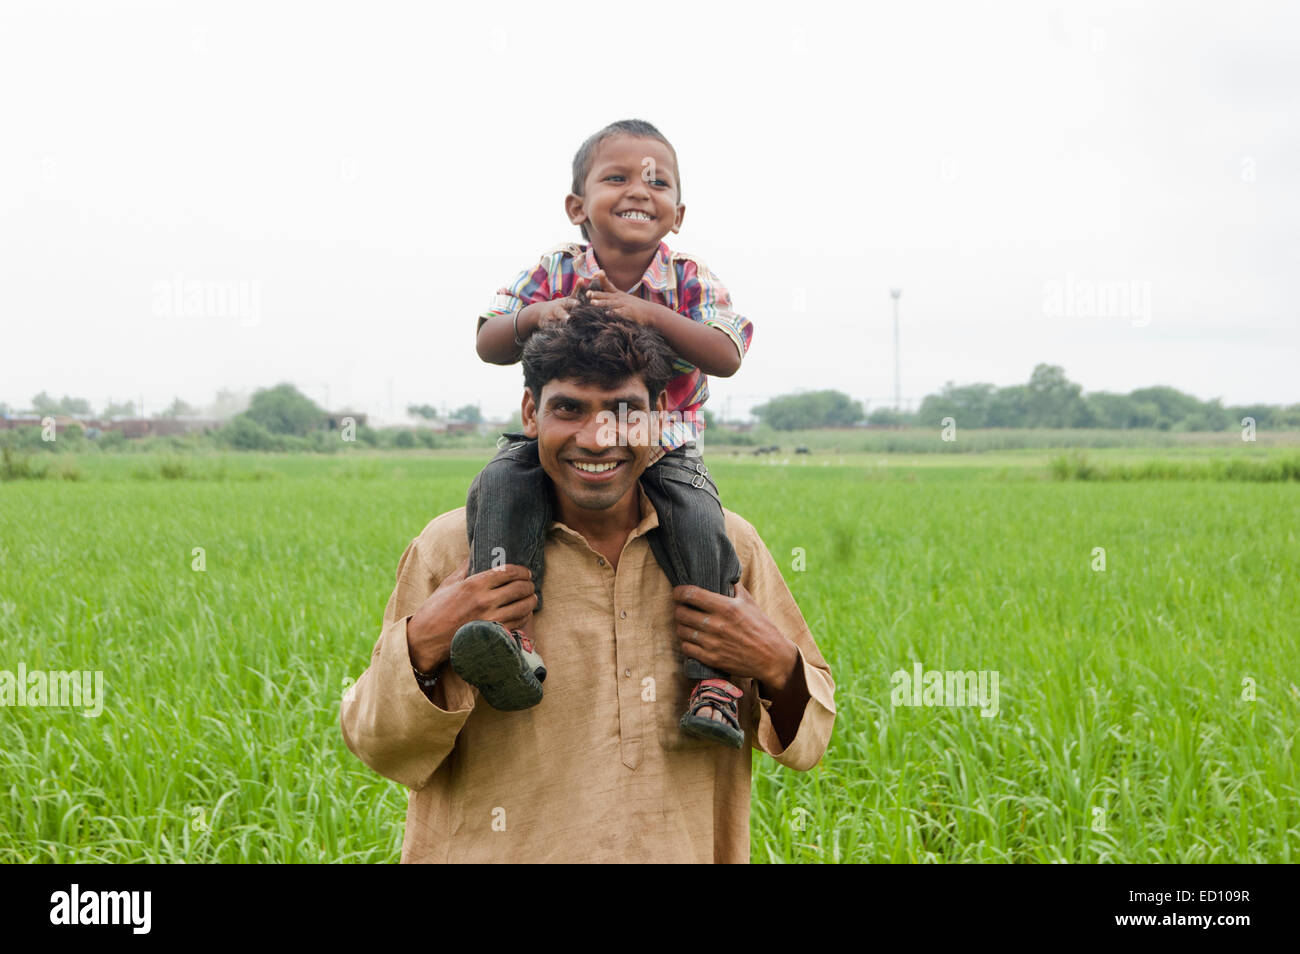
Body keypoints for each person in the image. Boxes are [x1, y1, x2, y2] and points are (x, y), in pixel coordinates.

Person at [339, 306, 835, 863]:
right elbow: (377, 744)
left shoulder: (726, 547)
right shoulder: (457, 549)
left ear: (660, 418)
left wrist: (777, 664)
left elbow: (810, 741)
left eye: (625, 411)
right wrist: (425, 639)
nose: (598, 440)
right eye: (569, 409)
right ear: (531, 413)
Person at [468, 119, 754, 746]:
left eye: (657, 181)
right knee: (499, 484)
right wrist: (538, 316)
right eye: (617, 177)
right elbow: (489, 337)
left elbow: (727, 352)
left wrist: (648, 314)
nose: (638, 190)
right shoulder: (555, 269)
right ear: (578, 207)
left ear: (677, 213)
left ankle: (714, 681)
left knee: (701, 522)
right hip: (557, 444)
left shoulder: (689, 280)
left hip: (666, 444)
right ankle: (508, 635)